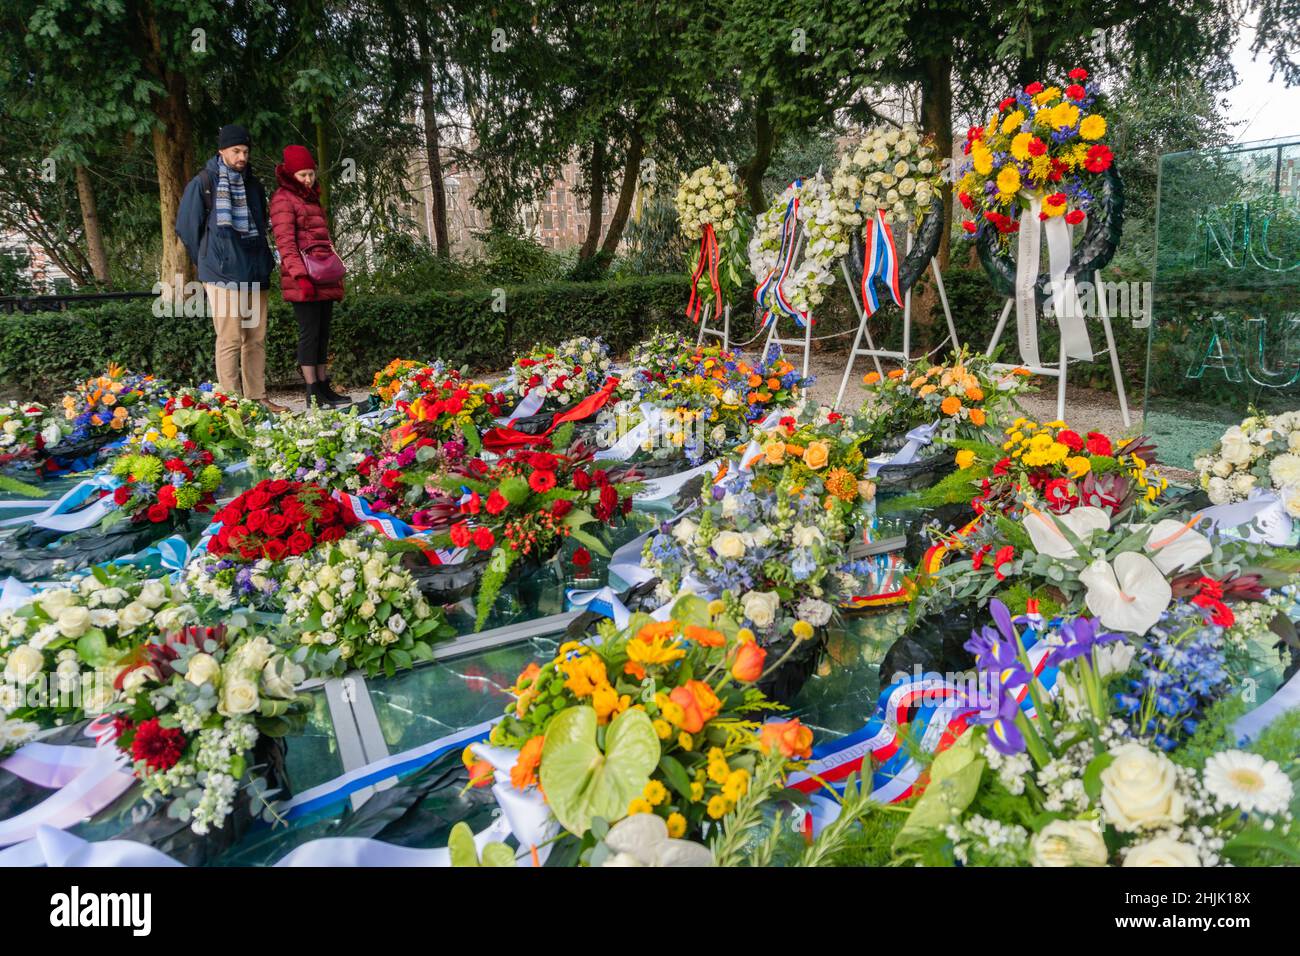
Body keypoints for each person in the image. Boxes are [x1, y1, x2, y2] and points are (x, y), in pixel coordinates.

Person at [175, 124, 286, 413]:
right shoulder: (204, 182)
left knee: (255, 338)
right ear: (222, 150)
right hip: (221, 273)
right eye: (236, 151)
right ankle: (231, 402)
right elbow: (187, 228)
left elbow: (261, 227)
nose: (242, 157)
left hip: (254, 269)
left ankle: (257, 397)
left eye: (246, 151)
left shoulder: (253, 184)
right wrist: (210, 259)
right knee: (230, 338)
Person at [269, 145, 349, 408]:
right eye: (303, 175)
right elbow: (286, 244)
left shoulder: (312, 198)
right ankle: (312, 390)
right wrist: (300, 277)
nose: (308, 179)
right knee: (309, 334)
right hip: (302, 278)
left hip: (322, 274)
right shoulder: (283, 199)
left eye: (311, 174)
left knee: (323, 332)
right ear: (291, 174)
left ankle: (325, 387)